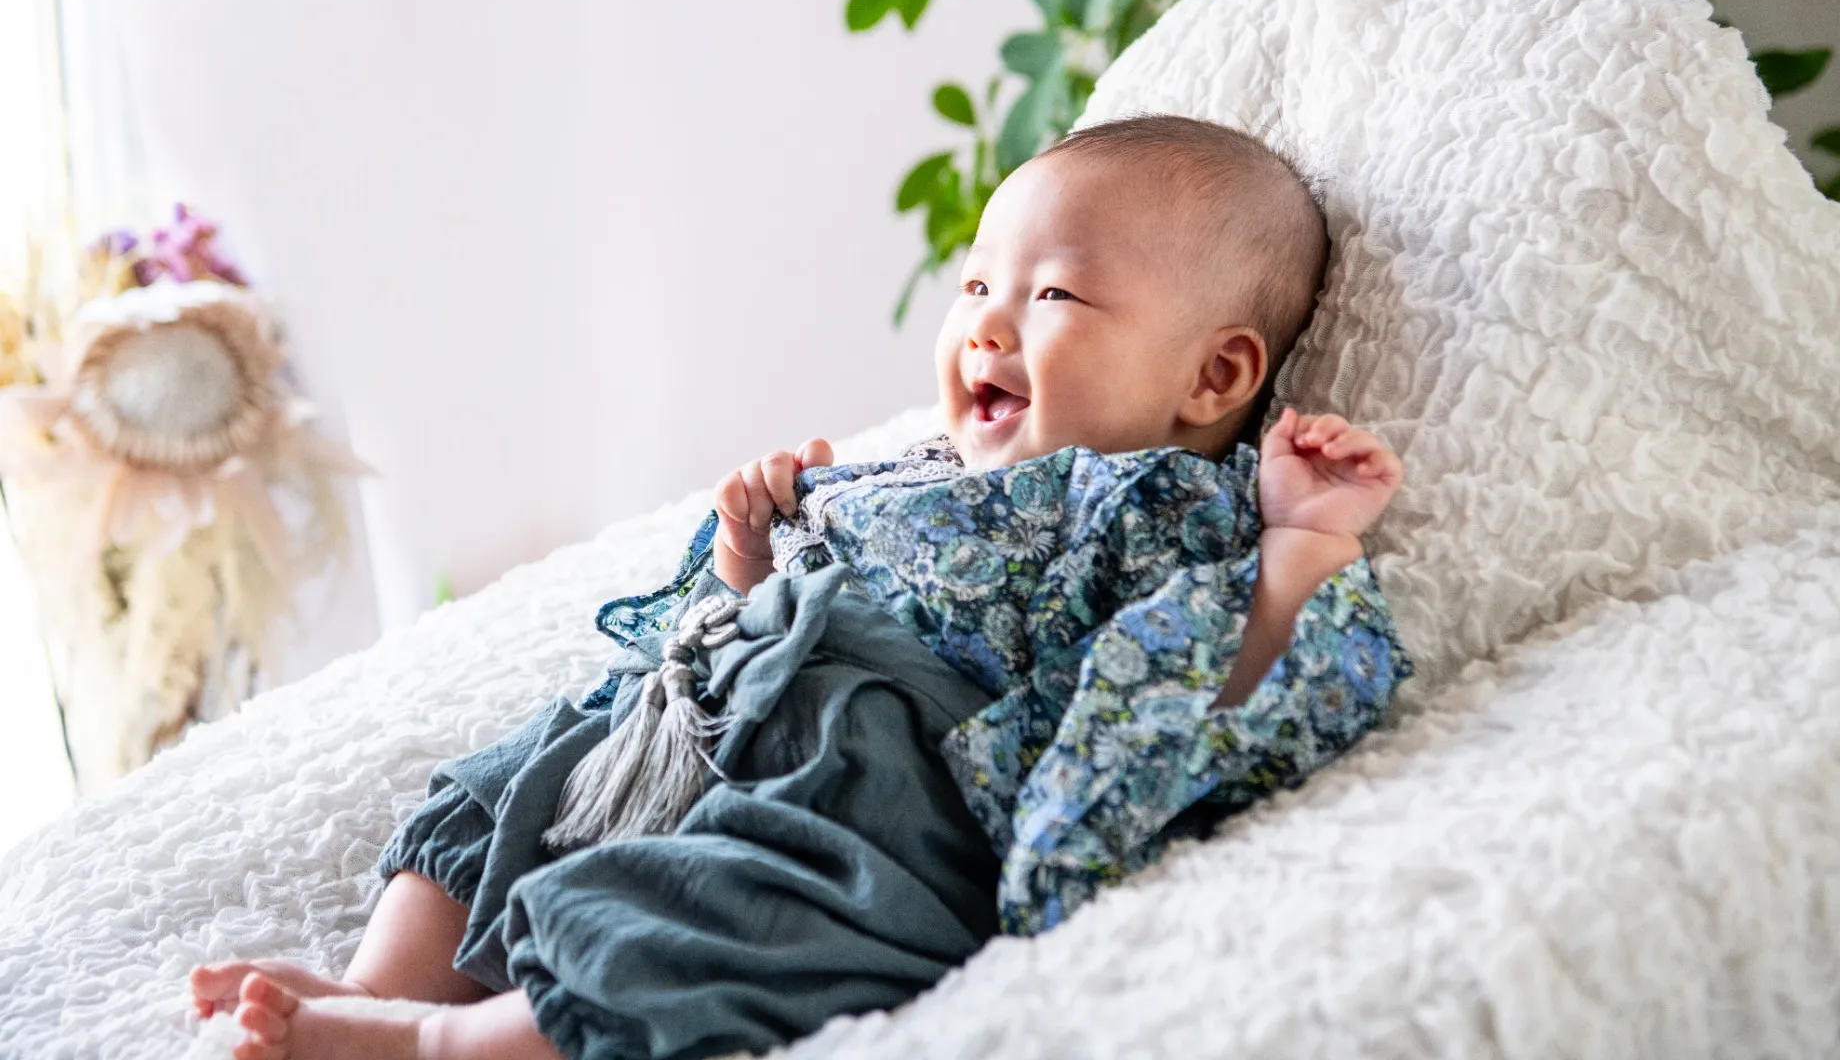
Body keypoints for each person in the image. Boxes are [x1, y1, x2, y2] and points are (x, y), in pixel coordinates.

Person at [189, 114, 1411, 1060]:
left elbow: (1222, 688)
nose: (985, 324)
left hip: (883, 773)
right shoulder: (916, 465)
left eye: (1051, 295)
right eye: (977, 283)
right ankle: (379, 985)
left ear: (1216, 374)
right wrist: (747, 561)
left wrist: (1304, 539)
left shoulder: (1169, 513)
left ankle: (448, 1041)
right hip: (723, 699)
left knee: (729, 909)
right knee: (520, 774)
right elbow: (721, 620)